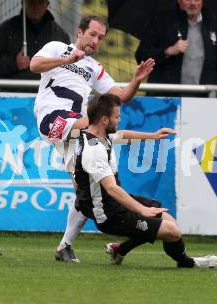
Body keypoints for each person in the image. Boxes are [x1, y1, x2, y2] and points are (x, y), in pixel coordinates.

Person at [29, 15, 155, 262]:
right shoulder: (58, 48)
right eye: (92, 34)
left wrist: (136, 81)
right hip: (53, 118)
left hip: (76, 130)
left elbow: (119, 95)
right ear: (80, 32)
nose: (96, 41)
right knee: (100, 125)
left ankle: (65, 246)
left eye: (101, 38)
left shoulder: (94, 68)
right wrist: (67, 59)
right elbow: (34, 65)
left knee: (85, 190)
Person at [74, 93, 217, 268]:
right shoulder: (94, 150)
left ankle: (119, 249)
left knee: (170, 222)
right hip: (109, 215)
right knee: (172, 232)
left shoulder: (94, 134)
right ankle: (187, 263)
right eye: (117, 117)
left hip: (114, 203)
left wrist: (153, 136)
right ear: (105, 120)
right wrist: (142, 209)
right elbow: (111, 188)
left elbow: (120, 135)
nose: (119, 119)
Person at [135, 0, 217, 97]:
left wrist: (214, 92)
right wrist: (167, 51)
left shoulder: (213, 25)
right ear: (179, 1)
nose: (193, 3)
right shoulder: (161, 21)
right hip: (166, 100)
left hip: (202, 101)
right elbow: (141, 56)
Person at [0, 0, 70, 91]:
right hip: (12, 95)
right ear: (23, 3)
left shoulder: (59, 34)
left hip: (49, 96)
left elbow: (69, 66)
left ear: (47, 5)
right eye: (31, 2)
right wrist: (14, 63)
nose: (35, 7)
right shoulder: (6, 30)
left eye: (40, 2)